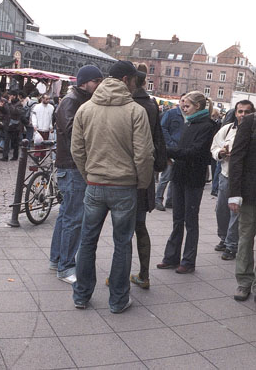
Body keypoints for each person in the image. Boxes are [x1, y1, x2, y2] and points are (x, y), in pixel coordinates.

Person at [71, 60, 153, 313]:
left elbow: (77, 149)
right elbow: (144, 154)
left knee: (87, 241)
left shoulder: (86, 108)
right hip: (124, 186)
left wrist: (89, 175)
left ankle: (81, 295)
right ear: (127, 80)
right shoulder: (134, 111)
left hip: (95, 183)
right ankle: (117, 300)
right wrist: (141, 182)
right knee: (122, 243)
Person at [49, 65, 103, 284]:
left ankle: (57, 259)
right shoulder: (72, 101)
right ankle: (66, 266)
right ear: (84, 82)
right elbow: (75, 132)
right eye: (96, 81)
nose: (99, 85)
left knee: (66, 216)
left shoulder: (78, 100)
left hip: (71, 166)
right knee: (73, 218)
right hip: (71, 167)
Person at [158, 91, 218, 274]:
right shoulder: (189, 122)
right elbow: (183, 149)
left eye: (187, 106)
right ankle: (171, 257)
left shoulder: (208, 125)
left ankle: (188, 261)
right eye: (183, 105)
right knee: (177, 219)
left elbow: (195, 151)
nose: (183, 108)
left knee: (190, 221)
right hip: (179, 175)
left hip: (194, 178)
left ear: (197, 106)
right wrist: (172, 153)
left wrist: (169, 152)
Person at [127, 67, 167, 289]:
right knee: (139, 226)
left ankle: (123, 275)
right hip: (146, 173)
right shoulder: (151, 104)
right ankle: (143, 274)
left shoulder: (133, 105)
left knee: (126, 227)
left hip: (130, 174)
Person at [213, 101, 254, 260]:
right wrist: (221, 153)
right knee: (221, 210)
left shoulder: (252, 130)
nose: (243, 114)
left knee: (236, 213)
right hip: (226, 174)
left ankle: (231, 245)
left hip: (245, 179)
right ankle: (224, 238)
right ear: (235, 113)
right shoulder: (228, 129)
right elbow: (214, 147)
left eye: (247, 112)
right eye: (240, 111)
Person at [228, 112, 256, 301]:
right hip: (251, 192)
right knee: (246, 237)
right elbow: (236, 157)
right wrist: (234, 192)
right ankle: (244, 281)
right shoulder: (250, 122)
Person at [156, 104, 185, 210]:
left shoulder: (188, 116)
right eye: (183, 102)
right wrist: (170, 143)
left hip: (181, 151)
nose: (185, 106)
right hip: (170, 149)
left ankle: (170, 201)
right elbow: (163, 128)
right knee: (165, 176)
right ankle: (158, 199)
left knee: (175, 177)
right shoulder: (171, 113)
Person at [0, 90, 24, 161]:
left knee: (15, 142)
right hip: (8, 125)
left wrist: (9, 105)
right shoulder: (7, 103)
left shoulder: (19, 104)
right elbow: (5, 112)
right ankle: (5, 156)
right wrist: (1, 107)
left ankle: (15, 156)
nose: (9, 96)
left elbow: (16, 112)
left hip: (15, 126)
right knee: (6, 140)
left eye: (11, 95)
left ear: (14, 96)